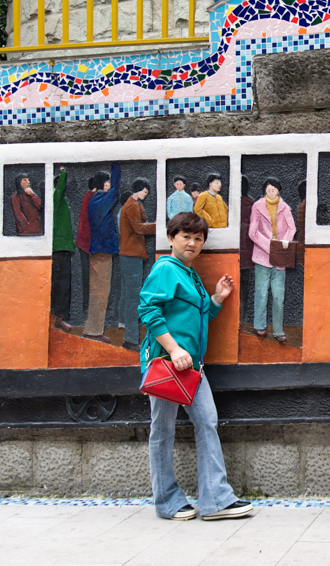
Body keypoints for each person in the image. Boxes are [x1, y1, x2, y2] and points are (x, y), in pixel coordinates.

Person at [138, 212, 252, 522]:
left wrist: (215, 299)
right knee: (162, 431)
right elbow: (147, 310)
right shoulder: (165, 269)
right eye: (186, 236)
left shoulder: (190, 276)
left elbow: (198, 319)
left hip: (191, 366)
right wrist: (173, 349)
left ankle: (215, 499)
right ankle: (167, 502)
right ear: (171, 238)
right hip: (166, 363)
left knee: (207, 422)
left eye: (198, 238)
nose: (192, 242)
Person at [249, 177, 295, 342]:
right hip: (262, 258)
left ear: (279, 190)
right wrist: (270, 246)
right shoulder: (257, 206)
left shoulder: (285, 208)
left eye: (274, 188)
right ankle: (260, 326)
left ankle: (278, 330)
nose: (271, 190)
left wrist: (282, 244)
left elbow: (292, 228)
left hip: (280, 258)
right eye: (269, 188)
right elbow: (252, 232)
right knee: (261, 293)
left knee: (278, 296)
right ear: (264, 190)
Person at [83, 164, 120, 344]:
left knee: (98, 290)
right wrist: (117, 167)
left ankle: (93, 328)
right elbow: (116, 191)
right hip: (102, 251)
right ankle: (94, 331)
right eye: (107, 182)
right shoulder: (101, 200)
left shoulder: (94, 200)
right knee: (100, 292)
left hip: (97, 250)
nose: (109, 185)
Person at [119, 178, 156, 351]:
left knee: (131, 295)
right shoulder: (133, 206)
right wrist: (158, 227)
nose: (146, 195)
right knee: (134, 297)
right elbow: (139, 228)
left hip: (131, 254)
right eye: (145, 192)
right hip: (131, 254)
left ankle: (130, 335)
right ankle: (131, 339)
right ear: (139, 189)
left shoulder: (132, 204)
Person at [51, 166, 75, 332]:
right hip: (58, 248)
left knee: (64, 286)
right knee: (59, 285)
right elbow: (60, 187)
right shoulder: (55, 197)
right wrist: (63, 171)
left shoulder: (61, 200)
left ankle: (59, 318)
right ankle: (55, 318)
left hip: (65, 248)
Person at [76, 177, 97, 315]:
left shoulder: (87, 196)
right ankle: (89, 307)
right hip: (89, 243)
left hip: (84, 242)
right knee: (92, 277)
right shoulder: (93, 198)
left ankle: (86, 306)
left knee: (87, 276)